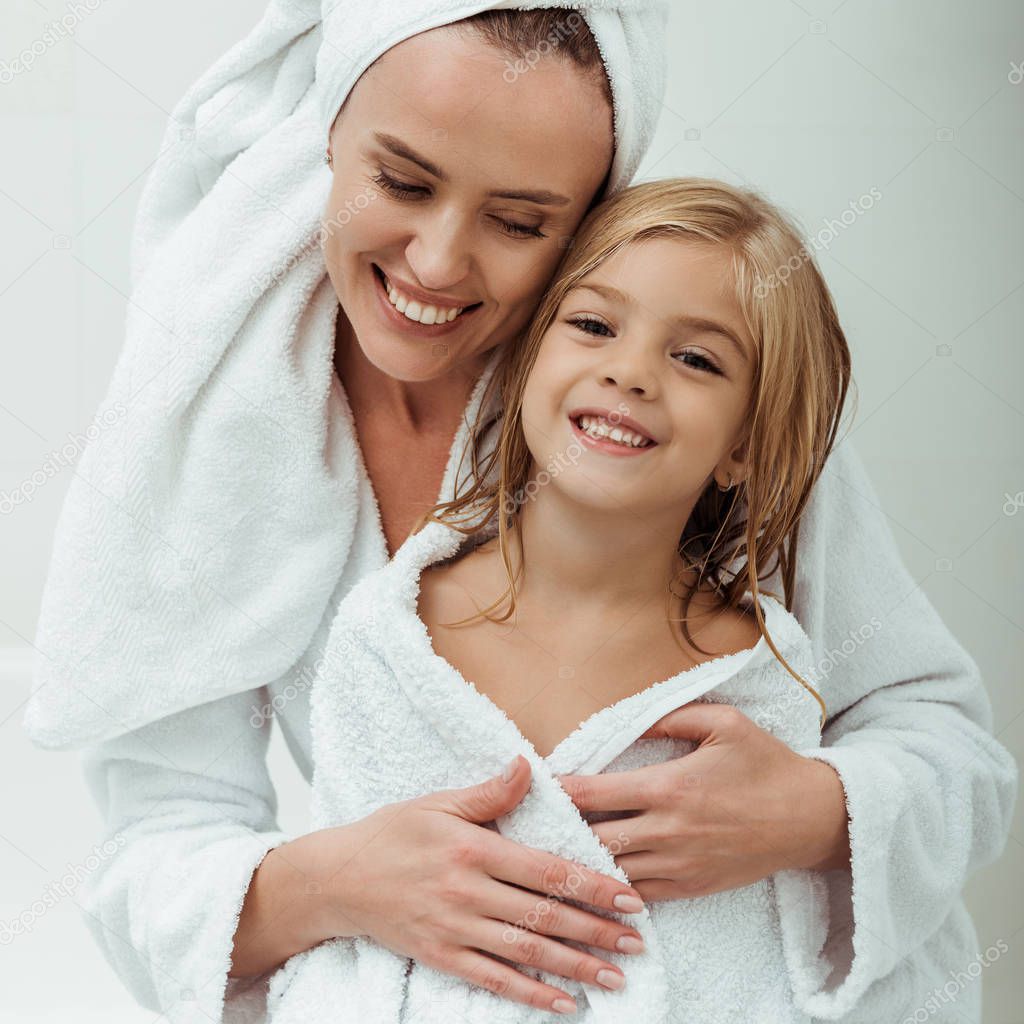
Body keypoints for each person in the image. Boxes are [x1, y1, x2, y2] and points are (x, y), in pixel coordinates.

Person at [22, 4, 1015, 1024]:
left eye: (519, 221)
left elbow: (947, 748)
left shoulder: (667, 399)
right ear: (327, 134)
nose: (439, 262)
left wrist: (816, 813)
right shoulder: (215, 403)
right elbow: (156, 840)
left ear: (591, 216)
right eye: (401, 180)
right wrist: (339, 881)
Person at [261, 175, 851, 1022]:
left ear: (745, 448)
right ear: (529, 361)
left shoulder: (756, 674)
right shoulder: (393, 631)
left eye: (696, 358)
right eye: (593, 325)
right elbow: (355, 938)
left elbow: (761, 957)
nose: (631, 372)